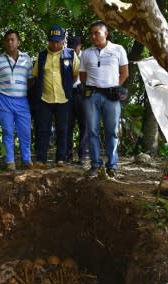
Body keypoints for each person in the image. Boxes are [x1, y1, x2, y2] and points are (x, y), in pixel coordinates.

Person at [80, 21, 128, 179]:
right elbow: (83, 75)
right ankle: (95, 165)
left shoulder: (118, 49)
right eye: (91, 33)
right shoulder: (86, 53)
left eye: (97, 33)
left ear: (106, 33)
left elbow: (124, 72)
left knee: (112, 131)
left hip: (112, 96)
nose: (93, 36)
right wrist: (94, 87)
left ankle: (112, 166)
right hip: (92, 95)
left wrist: (114, 86)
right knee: (92, 131)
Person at [32, 24, 79, 168]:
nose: (55, 44)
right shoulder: (41, 56)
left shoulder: (70, 54)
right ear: (48, 40)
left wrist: (66, 88)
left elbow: (75, 74)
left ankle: (61, 160)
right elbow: (36, 76)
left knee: (63, 130)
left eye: (58, 41)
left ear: (63, 40)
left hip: (63, 99)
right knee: (43, 130)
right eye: (52, 41)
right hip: (45, 99)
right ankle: (41, 160)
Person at [0, 30, 34, 171]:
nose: (10, 42)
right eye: (7, 40)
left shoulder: (27, 59)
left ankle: (26, 160)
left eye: (13, 39)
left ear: (18, 42)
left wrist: (19, 90)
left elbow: (31, 80)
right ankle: (10, 161)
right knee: (7, 131)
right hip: (4, 101)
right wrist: (5, 91)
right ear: (4, 42)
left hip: (22, 101)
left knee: (25, 131)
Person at [66, 35, 89, 164]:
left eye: (75, 47)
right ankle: (67, 155)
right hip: (68, 93)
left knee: (84, 125)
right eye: (71, 47)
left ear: (80, 46)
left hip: (83, 93)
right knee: (67, 125)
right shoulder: (65, 56)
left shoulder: (87, 57)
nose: (73, 50)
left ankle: (83, 155)